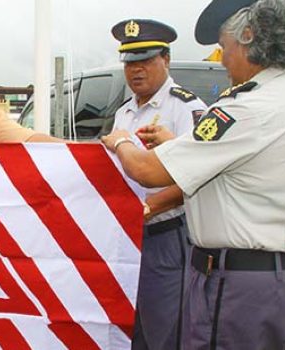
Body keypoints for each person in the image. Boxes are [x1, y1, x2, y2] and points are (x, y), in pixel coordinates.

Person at [102, 0, 285, 348]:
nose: (224, 61)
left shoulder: (247, 108)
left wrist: (121, 140)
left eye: (224, 48)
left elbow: (147, 171)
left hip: (244, 289)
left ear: (248, 37)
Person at [110, 19, 207, 350]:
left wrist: (149, 208)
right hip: (126, 238)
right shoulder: (124, 113)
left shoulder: (186, 108)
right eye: (130, 62)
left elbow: (199, 175)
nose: (136, 70)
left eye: (146, 60)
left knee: (164, 331)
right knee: (127, 325)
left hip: (164, 238)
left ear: (166, 59)